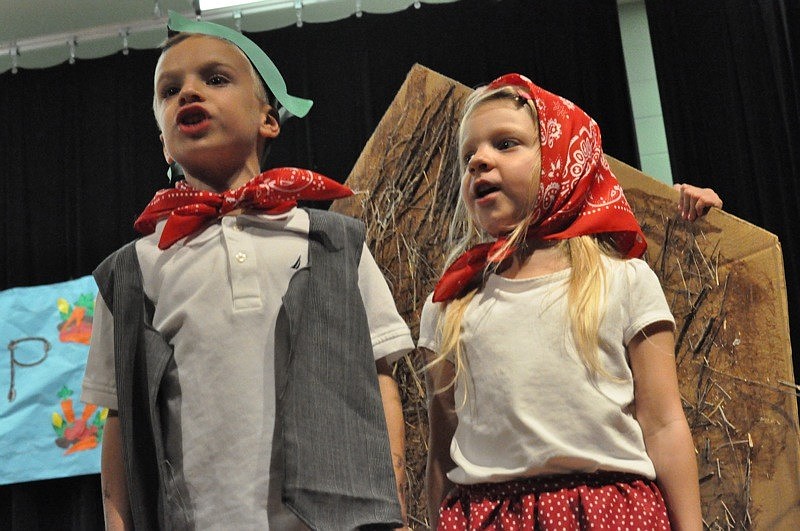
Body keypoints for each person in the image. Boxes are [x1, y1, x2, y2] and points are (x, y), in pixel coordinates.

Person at [81, 12, 412, 530]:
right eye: (169, 90)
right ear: (164, 141)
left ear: (268, 119)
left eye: (215, 79)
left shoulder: (334, 242)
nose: (189, 93)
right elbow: (120, 421)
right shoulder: (135, 271)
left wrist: (394, 511)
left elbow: (379, 380)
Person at [419, 73, 702, 530]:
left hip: (611, 514)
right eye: (468, 155)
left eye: (505, 144)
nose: (479, 161)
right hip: (489, 517)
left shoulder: (623, 280)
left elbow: (664, 424)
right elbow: (442, 449)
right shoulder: (451, 304)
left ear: (559, 157)